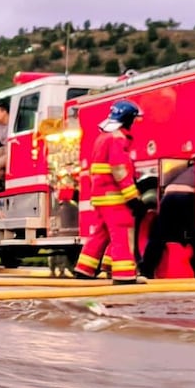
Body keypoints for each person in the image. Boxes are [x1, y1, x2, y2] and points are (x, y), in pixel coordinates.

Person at [73, 100, 146, 285]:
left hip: (100, 198)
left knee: (100, 234)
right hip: (115, 198)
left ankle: (84, 270)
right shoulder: (117, 138)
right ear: (128, 119)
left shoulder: (103, 137)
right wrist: (133, 199)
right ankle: (124, 275)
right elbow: (119, 169)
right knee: (121, 233)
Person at [138, 159, 195, 278]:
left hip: (169, 196)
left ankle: (146, 270)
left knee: (158, 236)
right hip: (188, 196)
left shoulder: (189, 169)